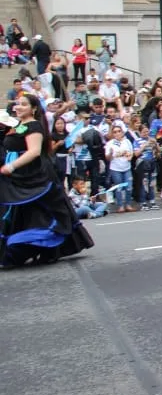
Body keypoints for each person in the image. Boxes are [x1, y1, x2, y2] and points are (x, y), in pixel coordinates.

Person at [0, 96, 94, 267]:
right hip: (21, 175)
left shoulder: (34, 126)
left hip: (34, 174)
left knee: (44, 211)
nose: (18, 107)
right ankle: (32, 249)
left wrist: (11, 166)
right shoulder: (19, 126)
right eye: (17, 104)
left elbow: (34, 151)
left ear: (34, 108)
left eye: (23, 104)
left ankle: (48, 247)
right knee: (25, 211)